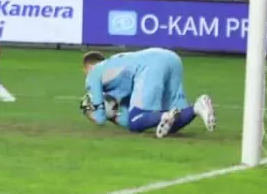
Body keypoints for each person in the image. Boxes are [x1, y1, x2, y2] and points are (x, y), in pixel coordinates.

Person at [79, 48, 216, 138]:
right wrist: (116, 116)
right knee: (171, 122)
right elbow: (128, 111)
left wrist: (91, 112)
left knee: (136, 121)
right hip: (172, 59)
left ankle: (164, 115)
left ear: (86, 67)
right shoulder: (114, 69)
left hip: (149, 66)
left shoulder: (93, 73)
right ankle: (197, 107)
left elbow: (100, 117)